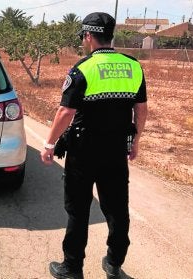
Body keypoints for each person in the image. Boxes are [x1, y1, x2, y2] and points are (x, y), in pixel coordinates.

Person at [41, 12, 148, 279]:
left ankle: (72, 268)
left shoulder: (83, 69)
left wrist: (49, 144)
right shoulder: (133, 66)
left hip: (83, 152)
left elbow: (65, 113)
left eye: (83, 38)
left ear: (89, 36)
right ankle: (114, 263)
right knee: (117, 209)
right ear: (110, 35)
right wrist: (135, 142)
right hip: (115, 153)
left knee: (78, 210)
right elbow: (141, 110)